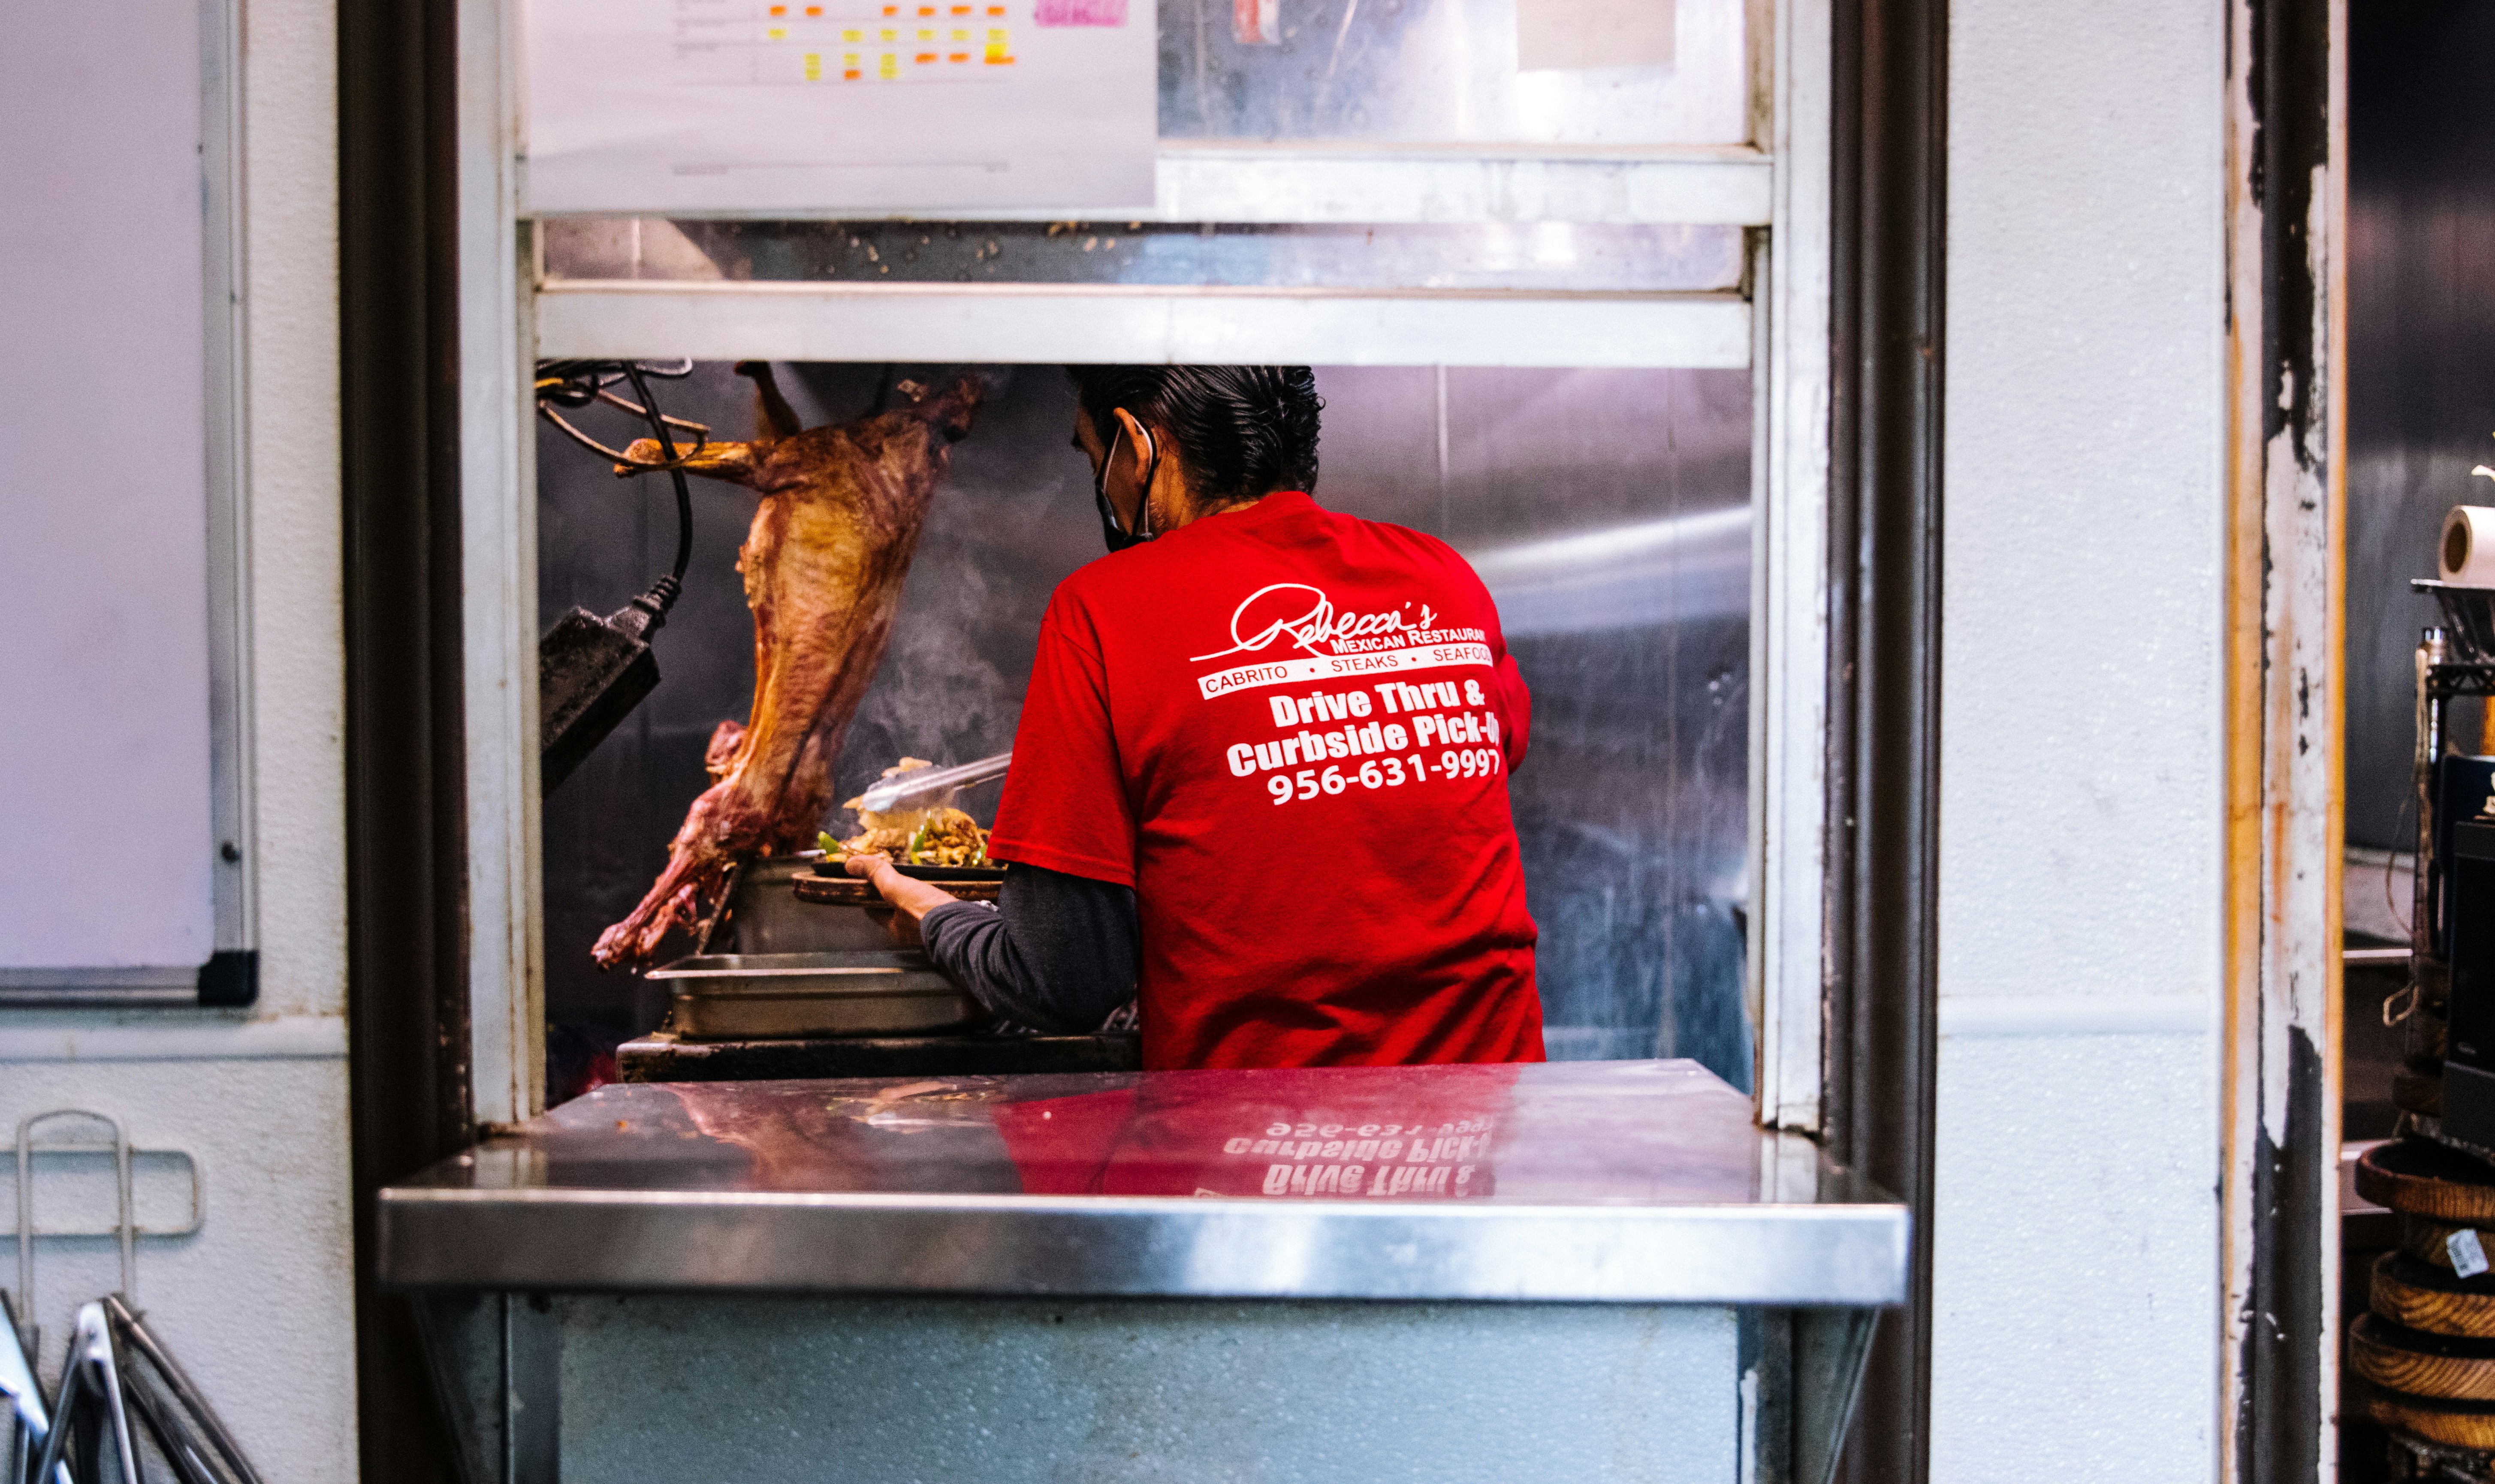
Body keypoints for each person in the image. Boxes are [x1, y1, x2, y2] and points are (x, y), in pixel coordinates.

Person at [848, 365, 1542, 1069]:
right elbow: (1474, 760)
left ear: (1136, 446)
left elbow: (1061, 980)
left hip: (1260, 1147)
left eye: (1094, 459)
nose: (1102, 486)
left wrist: (927, 912)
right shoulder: (1441, 575)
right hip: (1484, 1129)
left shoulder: (1104, 610)